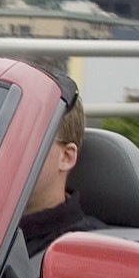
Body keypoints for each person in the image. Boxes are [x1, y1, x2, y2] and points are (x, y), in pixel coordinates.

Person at [15, 67, 101, 256]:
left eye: (27, 138)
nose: (8, 148)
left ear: (66, 157)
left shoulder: (89, 251)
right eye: (3, 135)